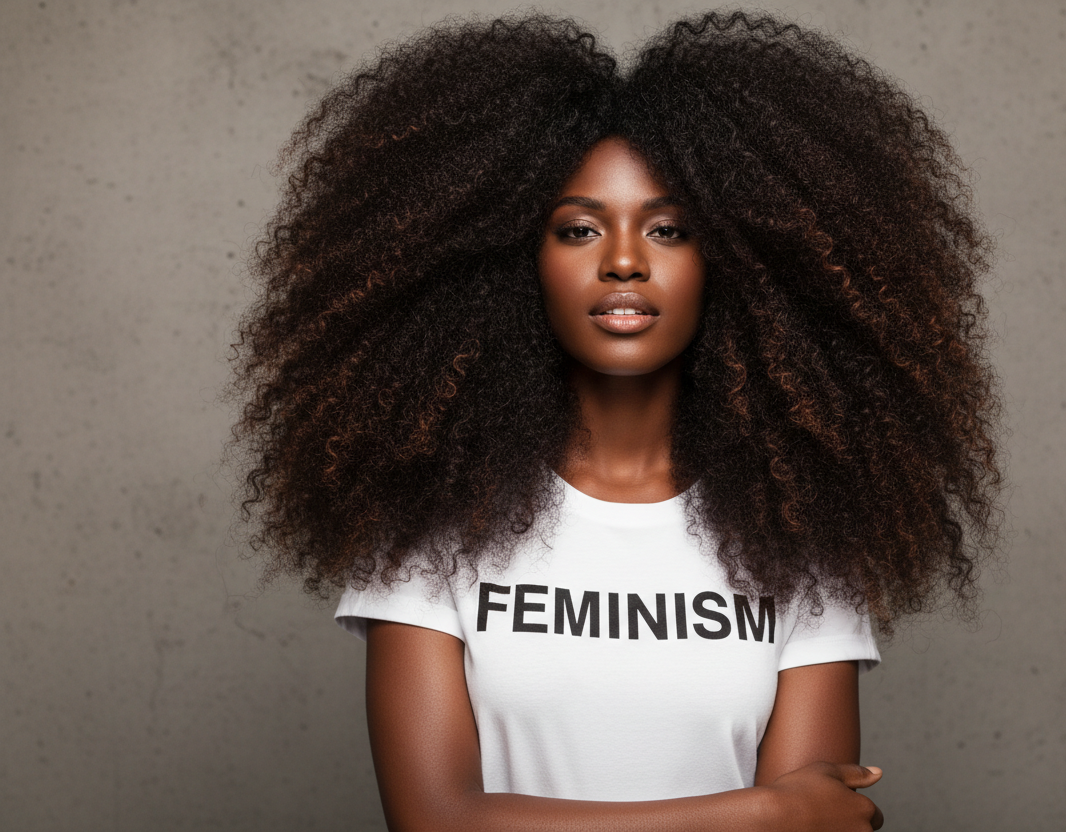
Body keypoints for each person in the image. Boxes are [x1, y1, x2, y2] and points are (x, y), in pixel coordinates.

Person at [231, 11, 1002, 832]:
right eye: (579, 229)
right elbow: (436, 820)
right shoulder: (432, 527)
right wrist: (760, 811)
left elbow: (813, 828)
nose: (625, 259)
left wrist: (777, 813)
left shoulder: (803, 541)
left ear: (737, 264)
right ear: (510, 262)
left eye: (669, 229)